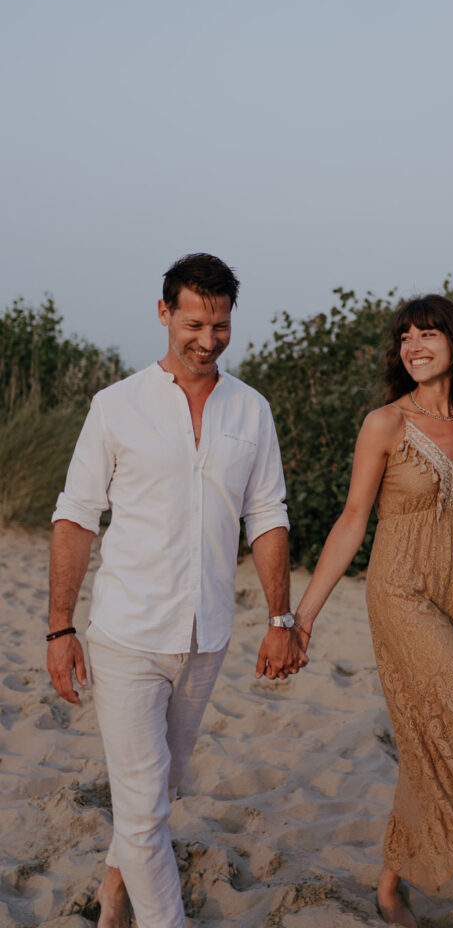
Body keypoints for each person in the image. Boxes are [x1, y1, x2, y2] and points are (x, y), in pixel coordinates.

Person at [46, 253, 307, 928]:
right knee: (144, 804)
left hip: (206, 634)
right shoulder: (116, 406)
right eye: (194, 323)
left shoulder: (252, 410)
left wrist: (282, 617)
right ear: (164, 313)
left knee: (159, 788)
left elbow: (269, 515)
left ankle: (112, 896)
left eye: (220, 326)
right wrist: (58, 627)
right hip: (126, 633)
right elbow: (76, 516)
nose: (208, 339)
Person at [293, 294, 453, 928]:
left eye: (428, 334)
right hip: (402, 593)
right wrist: (302, 618)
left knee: (434, 739)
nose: (413, 345)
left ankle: (389, 884)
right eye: (405, 337)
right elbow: (353, 520)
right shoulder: (383, 423)